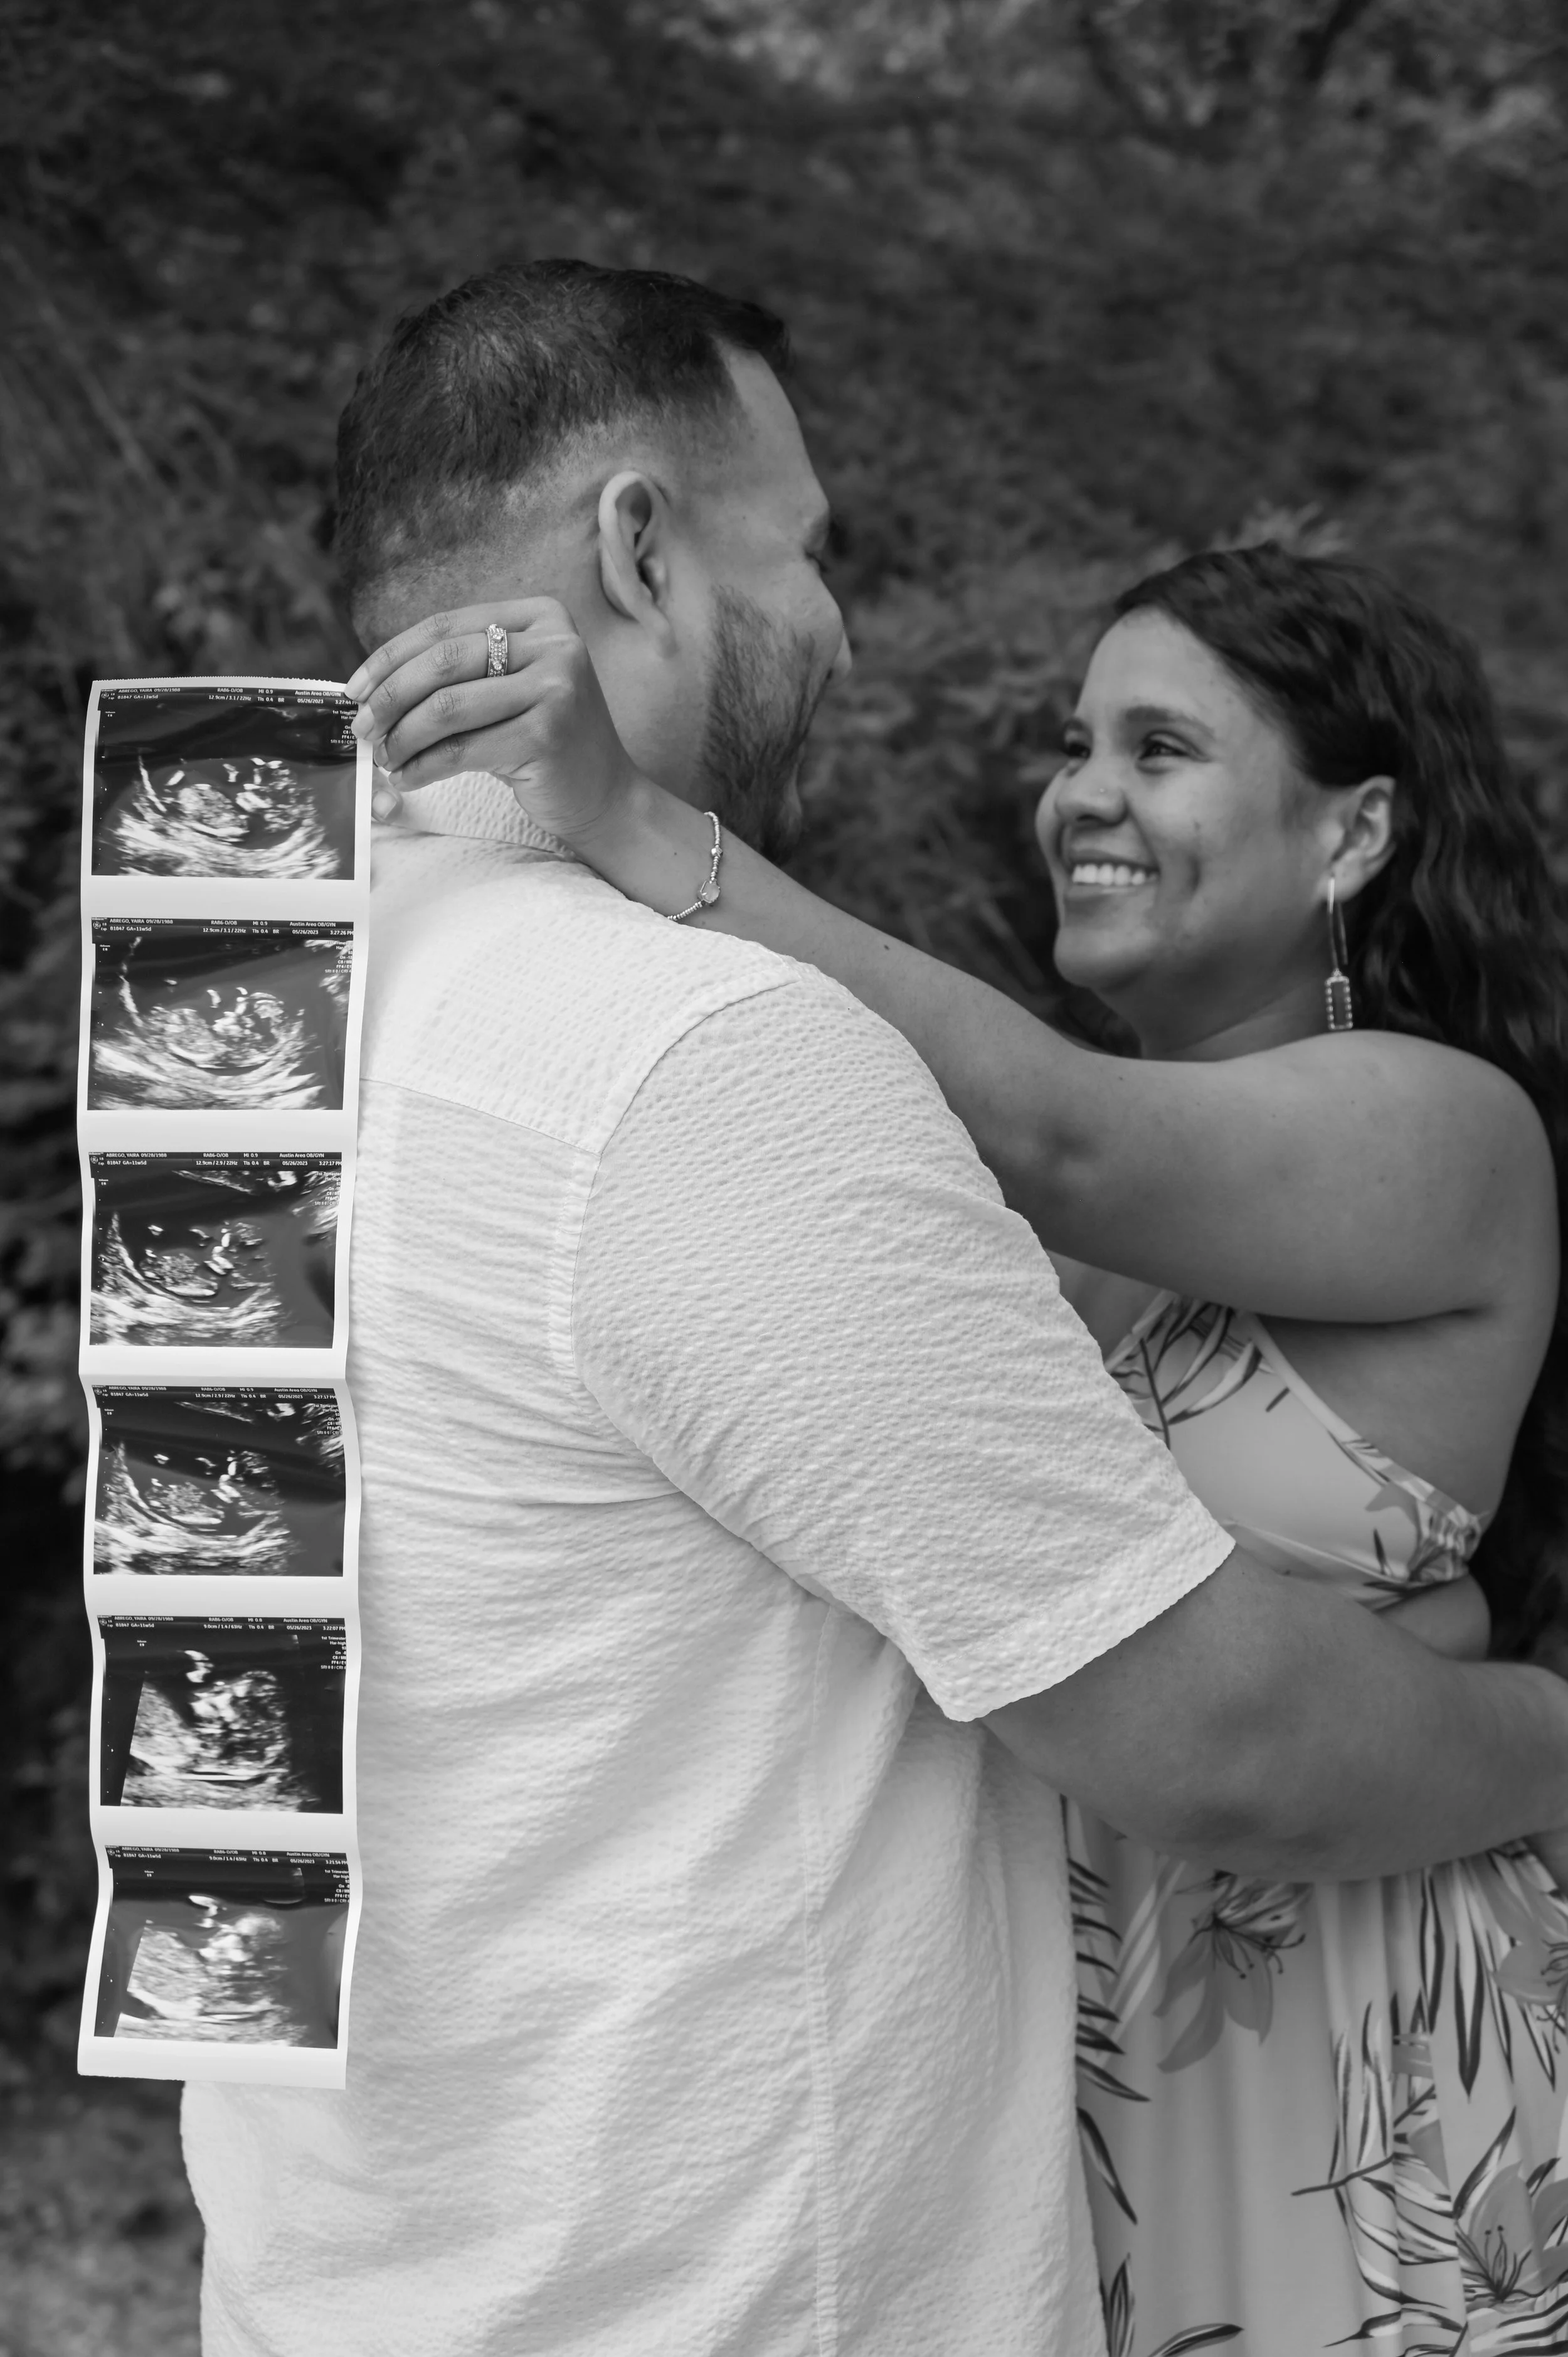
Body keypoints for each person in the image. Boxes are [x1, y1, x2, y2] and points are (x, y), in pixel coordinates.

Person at [184, 260, 1568, 2357]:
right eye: (810, 551)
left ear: (1356, 828)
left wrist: (638, 824)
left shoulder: (257, 1014)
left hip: (1316, 2072)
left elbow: (1067, 1153)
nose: (1077, 791)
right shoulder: (718, 1076)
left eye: (1161, 747)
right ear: (642, 546)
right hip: (1012, 2124)